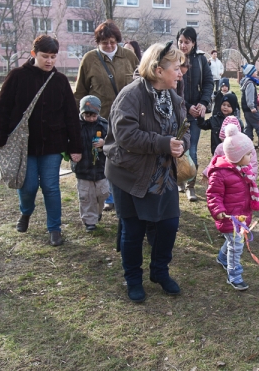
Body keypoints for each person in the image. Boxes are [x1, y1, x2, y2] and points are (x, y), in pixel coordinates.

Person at [103, 41, 190, 302]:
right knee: (133, 229)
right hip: (129, 174)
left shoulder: (173, 96)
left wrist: (181, 144)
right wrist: (163, 143)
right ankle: (133, 279)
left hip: (163, 174)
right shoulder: (131, 95)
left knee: (168, 225)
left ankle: (159, 272)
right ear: (158, 69)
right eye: (176, 67)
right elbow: (126, 136)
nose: (180, 72)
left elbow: (184, 129)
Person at [0, 35, 82, 247]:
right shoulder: (17, 76)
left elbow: (71, 114)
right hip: (25, 146)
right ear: (34, 54)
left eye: (53, 57)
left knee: (51, 187)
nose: (49, 61)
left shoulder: (59, 81)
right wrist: (0, 137)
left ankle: (54, 229)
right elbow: (2, 109)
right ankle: (26, 212)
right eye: (45, 56)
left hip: (53, 144)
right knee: (28, 185)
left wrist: (75, 146)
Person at [74, 20, 139, 212]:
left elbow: (140, 84)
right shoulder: (89, 59)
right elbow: (80, 92)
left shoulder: (129, 56)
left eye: (112, 42)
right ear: (97, 42)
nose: (109, 46)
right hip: (99, 120)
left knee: (126, 156)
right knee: (102, 157)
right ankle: (108, 196)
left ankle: (127, 193)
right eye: (104, 43)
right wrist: (79, 120)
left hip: (127, 118)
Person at [206, 124, 259, 291]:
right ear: (236, 155)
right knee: (236, 244)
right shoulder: (220, 173)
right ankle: (234, 275)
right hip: (229, 218)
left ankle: (222, 257)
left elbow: (248, 190)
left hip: (241, 215)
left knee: (233, 241)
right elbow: (213, 195)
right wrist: (218, 211)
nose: (251, 156)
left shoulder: (243, 170)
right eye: (248, 154)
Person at [177, 26, 214, 202]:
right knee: (177, 148)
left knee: (192, 150)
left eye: (187, 42)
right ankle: (179, 179)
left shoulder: (200, 60)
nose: (183, 45)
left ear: (193, 43)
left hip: (195, 115)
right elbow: (172, 88)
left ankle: (190, 186)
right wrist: (187, 105)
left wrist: (203, 103)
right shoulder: (173, 60)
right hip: (177, 113)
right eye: (181, 41)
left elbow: (208, 83)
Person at [71, 95, 109, 232]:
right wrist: (73, 151)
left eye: (94, 116)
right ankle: (89, 221)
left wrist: (104, 143)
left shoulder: (104, 125)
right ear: (81, 113)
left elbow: (113, 141)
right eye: (87, 116)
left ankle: (98, 212)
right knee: (86, 196)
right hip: (83, 168)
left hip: (101, 168)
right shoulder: (75, 126)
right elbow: (69, 141)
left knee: (103, 193)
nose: (91, 119)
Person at [240, 64, 259, 148]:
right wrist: (252, 107)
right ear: (250, 73)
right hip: (250, 108)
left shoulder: (246, 81)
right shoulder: (250, 83)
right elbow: (249, 96)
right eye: (255, 71)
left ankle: (248, 142)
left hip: (246, 108)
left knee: (249, 124)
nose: (256, 72)